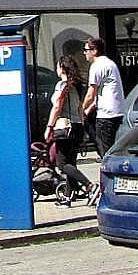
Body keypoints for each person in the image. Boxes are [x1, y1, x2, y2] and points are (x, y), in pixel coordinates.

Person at [43, 46, 95, 205]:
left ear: (62, 68)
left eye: (58, 67)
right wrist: (84, 128)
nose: (56, 70)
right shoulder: (77, 86)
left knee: (62, 164)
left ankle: (90, 186)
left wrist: (49, 127)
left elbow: (57, 106)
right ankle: (67, 195)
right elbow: (80, 108)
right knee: (71, 163)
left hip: (64, 127)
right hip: (77, 127)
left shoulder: (62, 86)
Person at [83, 38, 127, 159]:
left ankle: (110, 174)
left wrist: (80, 110)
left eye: (86, 50)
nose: (84, 53)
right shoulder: (110, 63)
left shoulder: (97, 66)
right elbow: (101, 94)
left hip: (106, 115)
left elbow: (91, 94)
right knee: (109, 147)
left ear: (94, 51)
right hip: (116, 112)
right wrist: (88, 110)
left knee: (105, 151)